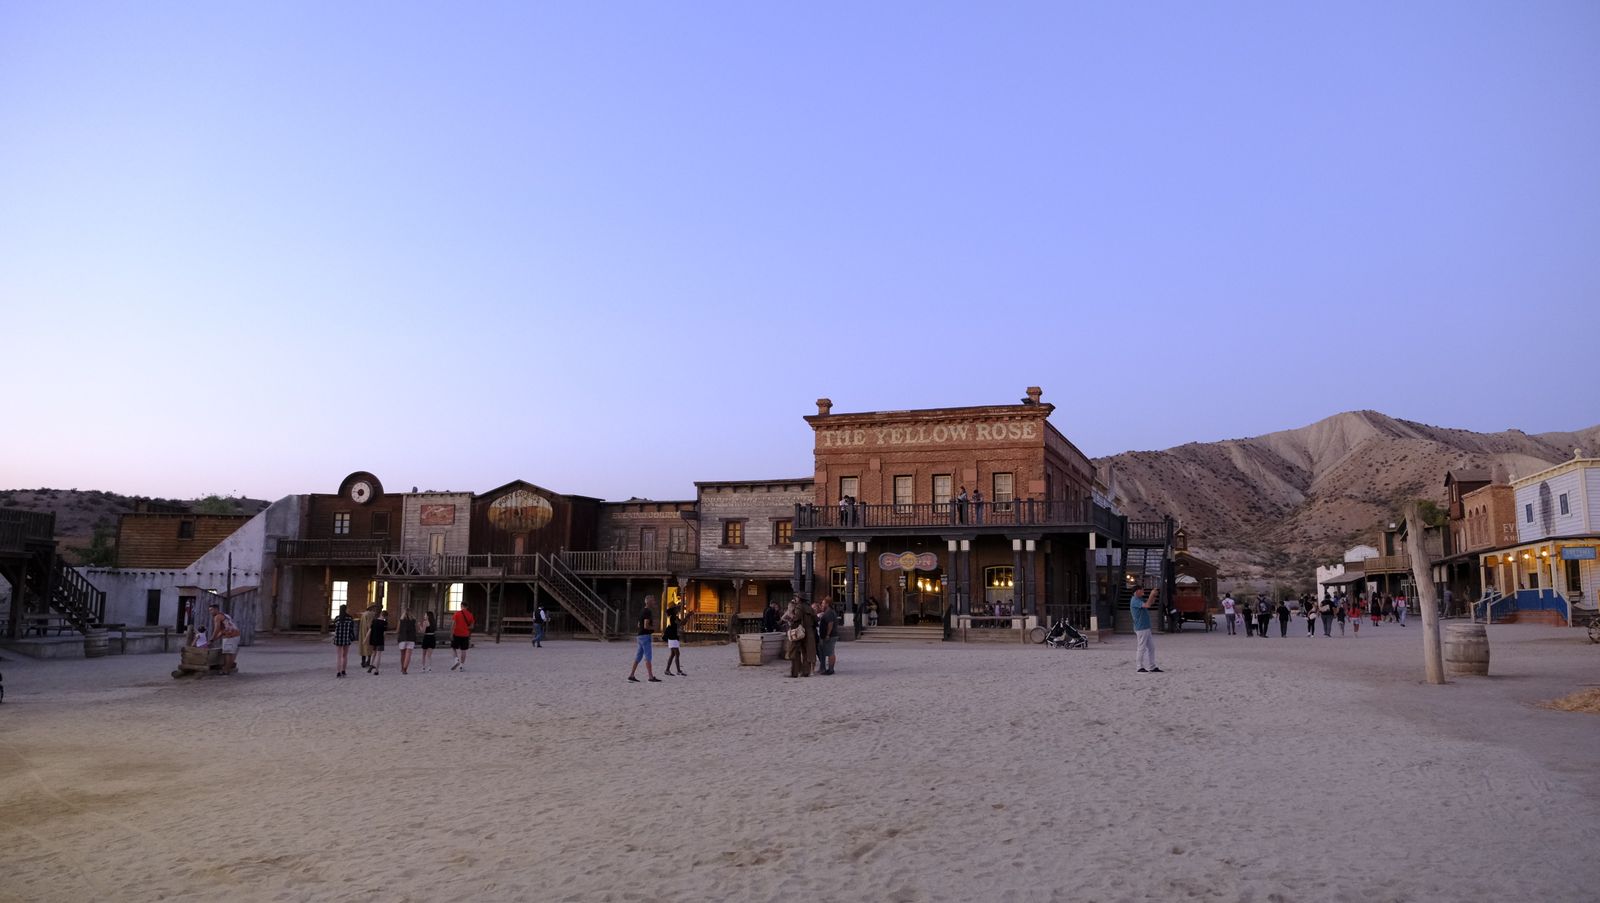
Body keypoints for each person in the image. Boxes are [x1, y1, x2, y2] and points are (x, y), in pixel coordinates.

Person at [628, 598, 661, 682]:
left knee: (638, 657)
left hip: (640, 636)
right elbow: (646, 625)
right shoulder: (648, 612)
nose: (654, 602)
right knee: (648, 657)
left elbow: (639, 624)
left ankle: (631, 675)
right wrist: (654, 628)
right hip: (645, 636)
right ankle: (650, 676)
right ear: (649, 602)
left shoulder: (642, 611)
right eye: (653, 601)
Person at [1130, 586, 1161, 672]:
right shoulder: (1135, 600)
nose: (1143, 591)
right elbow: (1147, 605)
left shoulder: (1139, 599)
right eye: (1141, 590)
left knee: (1151, 647)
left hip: (1145, 627)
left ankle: (1152, 666)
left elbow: (1150, 603)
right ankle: (1139, 667)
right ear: (1137, 591)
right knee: (1141, 647)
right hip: (1141, 627)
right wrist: (1151, 594)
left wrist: (1154, 595)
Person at [786, 596, 818, 678]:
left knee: (794, 652)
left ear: (799, 599)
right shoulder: (810, 608)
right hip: (809, 632)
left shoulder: (799, 607)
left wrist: (790, 618)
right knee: (806, 653)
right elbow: (816, 619)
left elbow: (796, 618)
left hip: (799, 631)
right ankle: (806, 672)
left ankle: (795, 672)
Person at [209, 602, 241, 675]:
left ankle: (226, 670)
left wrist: (212, 639)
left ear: (216, 609)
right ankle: (227, 668)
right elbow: (222, 631)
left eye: (211, 610)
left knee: (227, 653)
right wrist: (214, 639)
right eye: (209, 610)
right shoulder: (225, 615)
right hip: (235, 634)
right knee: (231, 652)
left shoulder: (217, 617)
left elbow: (217, 629)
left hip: (230, 635)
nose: (210, 612)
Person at [331, 604, 357, 677]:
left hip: (338, 638)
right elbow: (351, 629)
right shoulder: (350, 618)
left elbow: (335, 628)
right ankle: (343, 671)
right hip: (346, 638)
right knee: (345, 656)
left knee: (338, 656)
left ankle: (338, 672)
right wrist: (353, 638)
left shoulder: (337, 618)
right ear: (346, 610)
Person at [661, 603, 686, 677]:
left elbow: (683, 623)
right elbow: (681, 623)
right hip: (673, 637)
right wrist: (688, 616)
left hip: (673, 636)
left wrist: (688, 616)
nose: (678, 609)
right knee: (677, 653)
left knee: (673, 654)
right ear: (673, 610)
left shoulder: (674, 617)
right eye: (676, 608)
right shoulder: (673, 617)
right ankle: (678, 671)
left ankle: (667, 670)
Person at [816, 595, 839, 675]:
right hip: (827, 635)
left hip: (831, 635)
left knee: (830, 652)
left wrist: (828, 634)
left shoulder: (829, 612)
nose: (822, 605)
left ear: (827, 604)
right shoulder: (828, 612)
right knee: (823, 651)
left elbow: (830, 624)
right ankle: (824, 668)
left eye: (823, 603)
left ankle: (831, 669)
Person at [449, 605, 475, 671]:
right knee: (463, 650)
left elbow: (453, 624)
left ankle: (456, 660)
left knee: (453, 648)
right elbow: (472, 626)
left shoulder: (457, 613)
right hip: (465, 634)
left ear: (461, 606)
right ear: (467, 607)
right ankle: (461, 666)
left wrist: (451, 633)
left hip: (456, 633)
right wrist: (466, 627)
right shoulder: (470, 615)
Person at [367, 608, 389, 675]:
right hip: (380, 639)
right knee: (379, 655)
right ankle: (376, 670)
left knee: (373, 653)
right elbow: (384, 633)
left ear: (380, 614)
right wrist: (384, 640)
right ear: (385, 616)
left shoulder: (374, 621)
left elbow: (370, 630)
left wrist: (366, 639)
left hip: (373, 639)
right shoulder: (385, 623)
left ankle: (371, 665)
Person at [396, 608, 418, 674]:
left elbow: (397, 630)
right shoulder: (414, 621)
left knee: (402, 654)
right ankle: (405, 669)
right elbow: (416, 630)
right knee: (408, 655)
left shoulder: (401, 620)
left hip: (402, 638)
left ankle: (402, 667)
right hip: (411, 638)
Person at [358, 603, 377, 670]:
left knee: (363, 647)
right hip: (369, 633)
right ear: (372, 607)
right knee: (370, 647)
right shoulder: (371, 614)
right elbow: (370, 625)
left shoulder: (364, 614)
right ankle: (368, 662)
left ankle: (363, 662)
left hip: (362, 633)